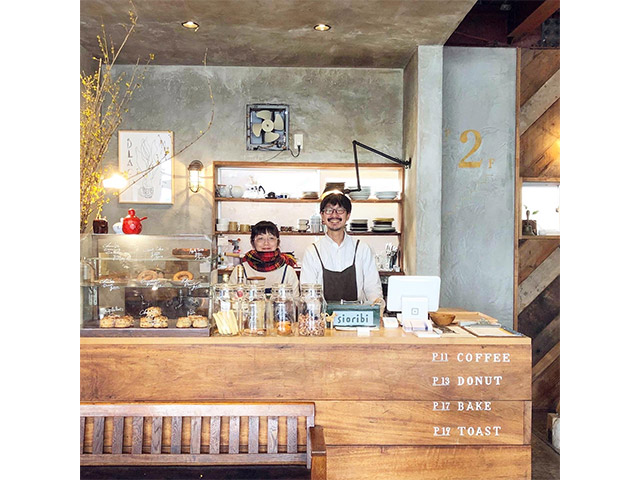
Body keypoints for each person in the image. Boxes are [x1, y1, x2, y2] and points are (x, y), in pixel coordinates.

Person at [300, 191, 383, 303]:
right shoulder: (312, 251)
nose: (334, 215)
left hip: (357, 313)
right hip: (322, 313)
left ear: (348, 215)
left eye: (340, 210)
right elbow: (308, 294)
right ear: (322, 216)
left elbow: (373, 289)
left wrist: (377, 306)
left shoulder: (362, 249)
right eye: (329, 210)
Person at [229, 221, 299, 294]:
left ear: (278, 242)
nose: (266, 243)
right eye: (260, 238)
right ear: (252, 242)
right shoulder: (240, 270)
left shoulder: (288, 271)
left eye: (271, 238)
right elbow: (231, 297)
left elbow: (295, 299)